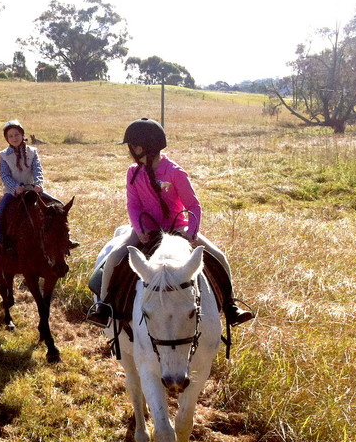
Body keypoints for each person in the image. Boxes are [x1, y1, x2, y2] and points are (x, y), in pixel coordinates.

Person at [86, 118, 253, 328]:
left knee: (219, 256)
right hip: (146, 228)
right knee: (112, 258)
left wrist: (191, 232)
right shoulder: (132, 172)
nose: (129, 152)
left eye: (130, 147)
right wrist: (139, 229)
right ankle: (103, 307)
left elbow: (193, 205)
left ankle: (230, 306)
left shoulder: (175, 172)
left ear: (139, 148)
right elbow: (133, 205)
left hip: (178, 228)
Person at [0, 120, 56, 256]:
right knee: (0, 213)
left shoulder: (32, 152)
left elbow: (37, 169)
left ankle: (63, 237)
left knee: (57, 205)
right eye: (10, 136)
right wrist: (15, 187)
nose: (14, 138)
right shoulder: (4, 156)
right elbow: (5, 175)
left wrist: (39, 183)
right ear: (7, 139)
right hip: (13, 193)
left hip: (33, 190)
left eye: (17, 134)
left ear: (22, 135)